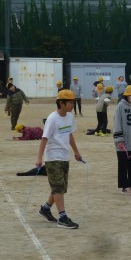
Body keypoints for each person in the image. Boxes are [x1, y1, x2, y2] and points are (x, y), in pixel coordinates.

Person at [36, 89, 83, 229]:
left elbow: (70, 135)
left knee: (60, 187)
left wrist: (76, 151)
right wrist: (39, 158)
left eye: (73, 102)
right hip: (53, 158)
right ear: (61, 103)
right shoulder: (52, 119)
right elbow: (44, 138)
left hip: (64, 157)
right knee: (58, 188)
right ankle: (62, 217)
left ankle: (45, 209)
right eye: (70, 102)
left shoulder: (70, 117)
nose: (72, 105)